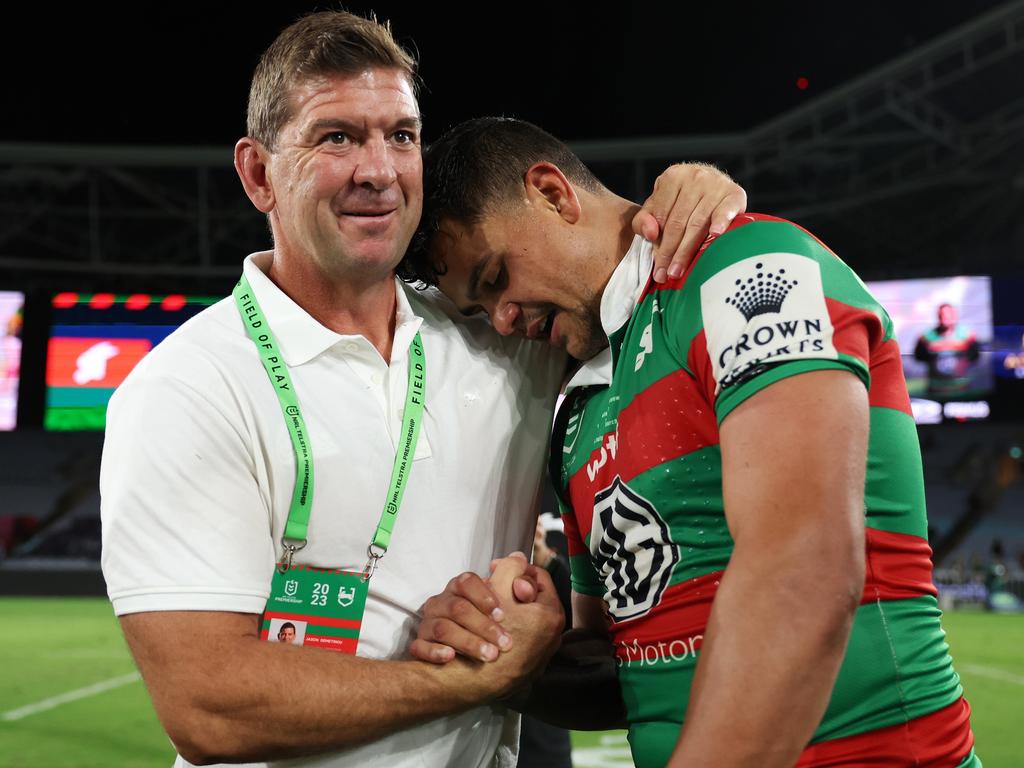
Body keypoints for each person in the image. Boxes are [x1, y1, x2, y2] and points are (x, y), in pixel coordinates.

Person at [99, 11, 747, 768]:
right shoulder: (189, 387)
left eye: (400, 135)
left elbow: (612, 274)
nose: (379, 170)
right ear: (257, 174)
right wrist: (477, 677)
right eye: (336, 137)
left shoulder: (503, 336)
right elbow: (208, 704)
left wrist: (684, 201)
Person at [403, 117, 980, 768]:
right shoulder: (577, 414)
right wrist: (506, 650)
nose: (504, 318)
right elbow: (619, 665)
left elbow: (804, 572)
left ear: (552, 194)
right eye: (481, 311)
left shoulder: (743, 266)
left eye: (495, 277)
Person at [913, 302, 981, 399]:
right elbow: (919, 356)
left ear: (954, 316)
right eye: (941, 315)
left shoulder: (967, 335)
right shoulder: (927, 337)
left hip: (960, 387)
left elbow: (975, 356)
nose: (944, 318)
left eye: (948, 315)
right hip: (937, 388)